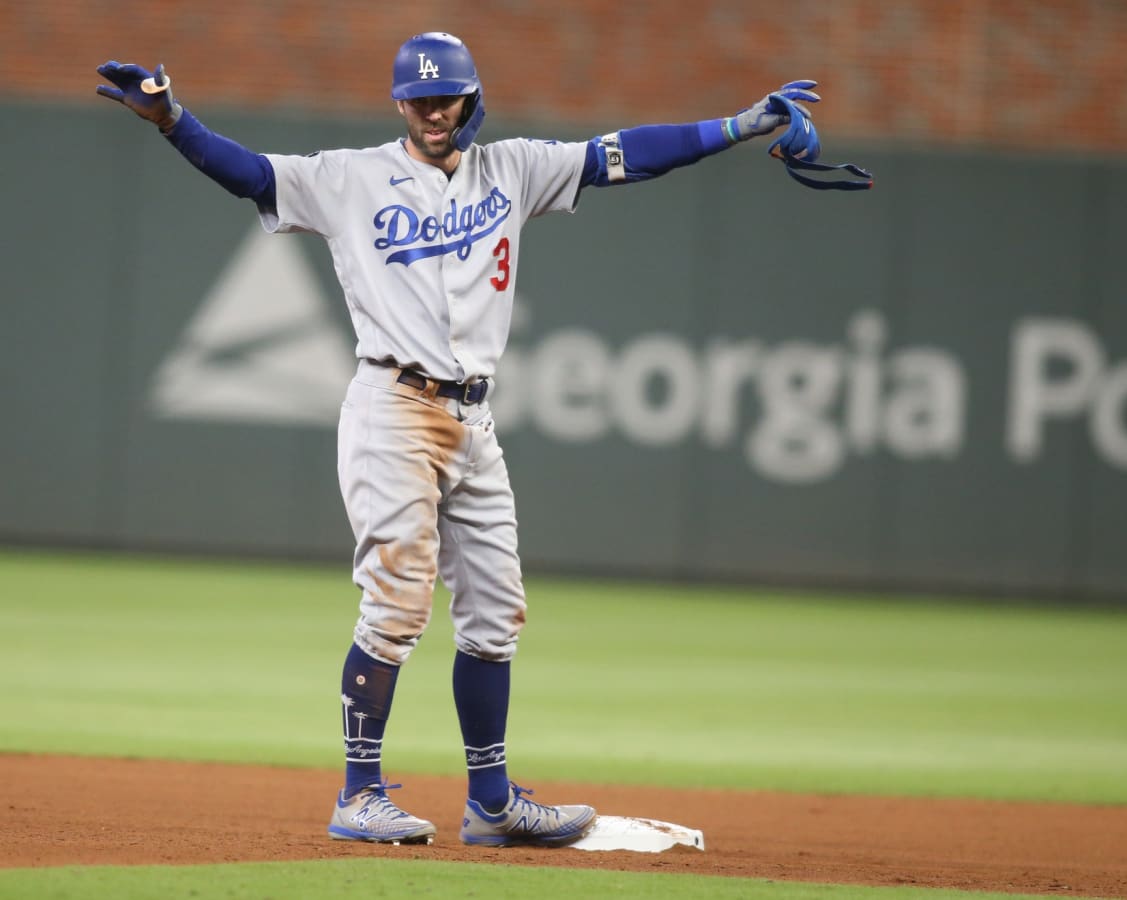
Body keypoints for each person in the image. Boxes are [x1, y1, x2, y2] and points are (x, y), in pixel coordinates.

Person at [96, 32, 831, 848]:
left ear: (471, 97)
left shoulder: (512, 168)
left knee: (495, 615)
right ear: (399, 104)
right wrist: (171, 119)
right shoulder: (351, 178)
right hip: (393, 407)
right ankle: (359, 794)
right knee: (398, 605)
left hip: (473, 421)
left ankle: (491, 803)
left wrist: (737, 125)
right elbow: (252, 175)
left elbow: (625, 154)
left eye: (446, 97)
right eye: (418, 99)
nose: (433, 111)